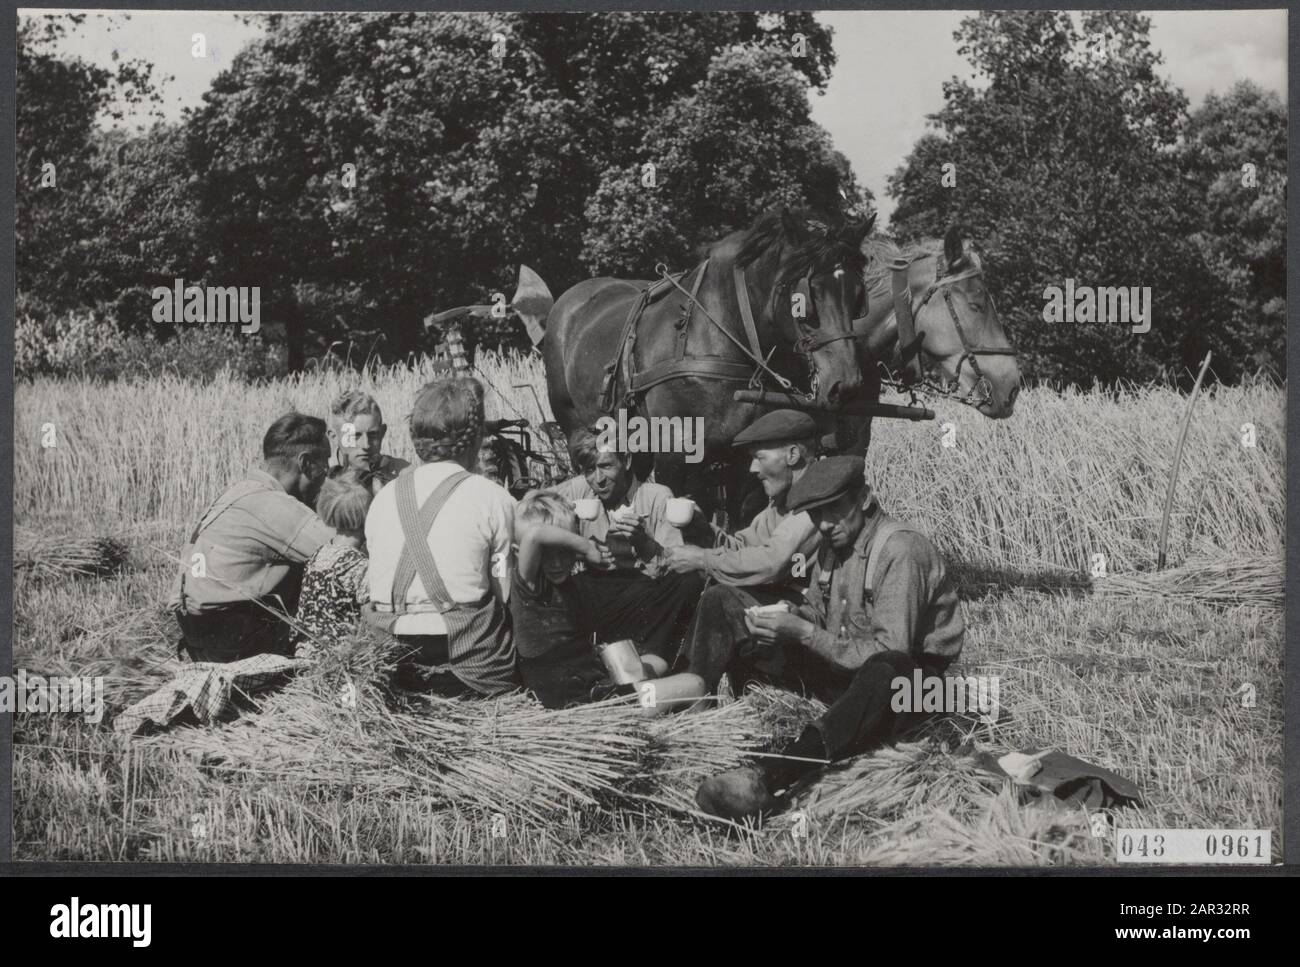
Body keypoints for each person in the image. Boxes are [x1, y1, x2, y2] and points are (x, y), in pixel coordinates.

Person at [682, 456, 966, 820]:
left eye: (834, 509)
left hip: (915, 690)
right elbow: (819, 613)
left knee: (887, 669)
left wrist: (804, 632)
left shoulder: (900, 550)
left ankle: (771, 778)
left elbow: (892, 652)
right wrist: (793, 616)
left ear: (864, 498)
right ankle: (703, 723)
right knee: (724, 600)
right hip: (847, 673)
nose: (825, 524)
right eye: (816, 515)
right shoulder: (833, 547)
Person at [363, 376, 518, 697]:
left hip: (389, 659)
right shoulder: (492, 498)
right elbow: (504, 590)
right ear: (475, 438)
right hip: (466, 658)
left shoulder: (382, 498)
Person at [512, 490, 706, 713]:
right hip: (589, 705)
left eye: (564, 551)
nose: (557, 562)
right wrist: (585, 547)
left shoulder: (566, 588)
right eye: (547, 554)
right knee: (694, 685)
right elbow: (534, 535)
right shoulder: (529, 589)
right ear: (519, 554)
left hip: (593, 687)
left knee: (657, 662)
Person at [170, 412, 334, 663]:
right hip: (232, 643)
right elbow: (345, 556)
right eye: (325, 462)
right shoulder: (274, 506)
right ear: (306, 463)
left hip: (198, 634)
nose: (326, 473)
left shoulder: (239, 492)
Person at [550, 429, 705, 668]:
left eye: (606, 466)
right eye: (590, 470)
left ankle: (648, 660)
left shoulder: (656, 497)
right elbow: (532, 504)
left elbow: (675, 566)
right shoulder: (584, 489)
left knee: (689, 583)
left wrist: (644, 543)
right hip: (601, 593)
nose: (598, 479)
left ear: (627, 460)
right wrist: (574, 538)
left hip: (643, 594)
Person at [665, 409, 821, 587]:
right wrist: (705, 531)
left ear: (792, 455)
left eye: (759, 457)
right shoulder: (782, 501)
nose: (752, 469)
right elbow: (745, 548)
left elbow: (772, 563)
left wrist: (702, 559)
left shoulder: (817, 500)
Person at [294, 469, 373, 660]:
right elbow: (372, 620)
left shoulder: (318, 554)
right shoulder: (359, 566)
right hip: (339, 661)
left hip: (305, 654)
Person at [327, 389, 410, 495]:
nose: (366, 445)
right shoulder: (321, 480)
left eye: (373, 435)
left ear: (382, 432)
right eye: (355, 436)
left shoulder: (404, 475)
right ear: (334, 437)